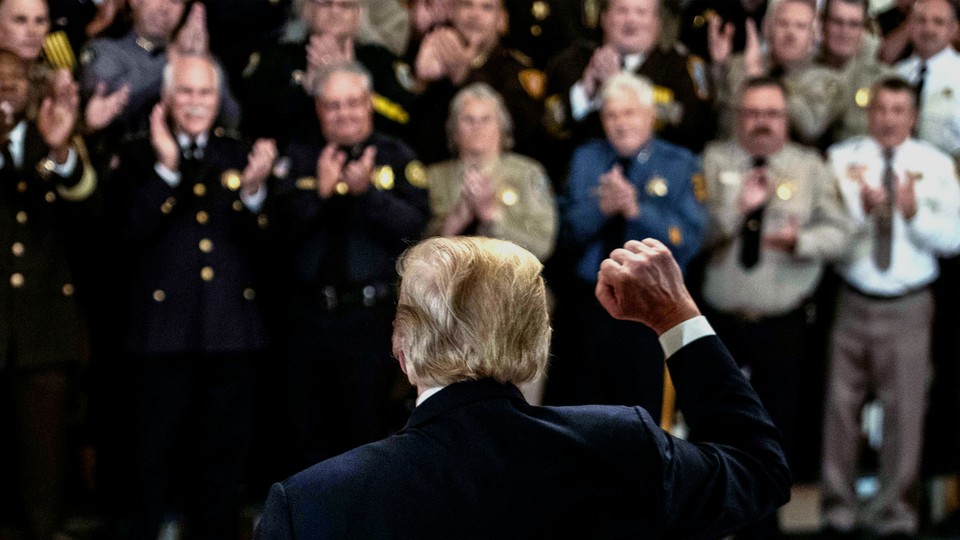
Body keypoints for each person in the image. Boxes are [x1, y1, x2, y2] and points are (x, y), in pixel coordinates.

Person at [255, 235, 792, 539]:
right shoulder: (622, 446)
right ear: (539, 344)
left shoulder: (312, 504)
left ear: (401, 350)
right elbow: (760, 473)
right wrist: (677, 318)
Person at [109, 53, 275, 540]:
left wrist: (253, 194)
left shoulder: (239, 153)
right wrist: (166, 170)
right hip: (161, 333)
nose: (197, 102)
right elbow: (123, 236)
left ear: (219, 99)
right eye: (186, 91)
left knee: (223, 457)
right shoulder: (137, 155)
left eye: (205, 92)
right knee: (153, 456)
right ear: (166, 97)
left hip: (230, 330)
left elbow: (268, 250)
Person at [699, 75, 851, 538]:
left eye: (772, 114)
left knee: (776, 429)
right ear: (738, 117)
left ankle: (766, 526)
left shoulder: (809, 167)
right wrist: (736, 211)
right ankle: (722, 519)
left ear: (786, 119)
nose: (762, 123)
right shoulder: (714, 159)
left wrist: (801, 241)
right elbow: (692, 236)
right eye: (753, 113)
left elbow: (841, 233)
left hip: (784, 324)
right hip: (721, 323)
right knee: (719, 427)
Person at [268, 62, 429, 474]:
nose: (345, 114)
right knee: (304, 438)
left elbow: (416, 228)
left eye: (353, 103)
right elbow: (271, 237)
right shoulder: (299, 156)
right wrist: (318, 195)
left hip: (370, 322)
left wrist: (368, 195)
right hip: (305, 321)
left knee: (366, 438)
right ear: (319, 110)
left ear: (369, 105)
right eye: (333, 106)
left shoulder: (397, 154)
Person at [821, 77, 960, 540]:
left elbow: (954, 238)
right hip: (852, 299)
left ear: (913, 117)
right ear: (869, 111)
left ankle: (895, 516)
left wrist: (914, 212)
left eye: (898, 110)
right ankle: (837, 512)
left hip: (909, 305)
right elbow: (831, 236)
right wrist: (860, 211)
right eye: (881, 109)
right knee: (841, 409)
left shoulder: (936, 165)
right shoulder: (842, 159)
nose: (888, 118)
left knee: (905, 412)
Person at [548, 71, 705, 421]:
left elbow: (689, 240)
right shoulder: (586, 159)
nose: (620, 124)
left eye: (630, 113)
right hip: (589, 304)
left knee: (643, 414)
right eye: (611, 115)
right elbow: (566, 232)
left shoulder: (680, 164)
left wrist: (637, 210)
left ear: (651, 116)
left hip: (650, 307)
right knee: (581, 411)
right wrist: (601, 209)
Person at [0, 46, 93, 540]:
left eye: (14, 81)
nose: (5, 90)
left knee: (44, 463)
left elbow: (91, 219)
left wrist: (59, 153)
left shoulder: (55, 144)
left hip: (43, 333)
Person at [543, 0, 713, 167]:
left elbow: (694, 126)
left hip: (660, 177)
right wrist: (585, 94)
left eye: (641, 12)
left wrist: (621, 85)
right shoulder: (573, 62)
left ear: (657, 22)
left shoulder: (682, 67)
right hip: (585, 177)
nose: (631, 20)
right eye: (622, 11)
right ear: (604, 17)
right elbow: (548, 127)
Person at [239, 0, 415, 148]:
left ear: (358, 14)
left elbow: (405, 120)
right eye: (326, 3)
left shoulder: (381, 61)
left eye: (345, 5)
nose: (335, 12)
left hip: (373, 164)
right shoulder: (277, 58)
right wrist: (305, 88)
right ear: (308, 10)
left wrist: (352, 83)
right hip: (294, 168)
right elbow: (253, 123)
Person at [426, 82, 556, 262]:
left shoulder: (528, 173)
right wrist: (457, 218)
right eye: (468, 119)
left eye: (486, 119)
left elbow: (542, 246)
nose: (477, 127)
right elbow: (413, 250)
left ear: (502, 127)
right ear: (454, 130)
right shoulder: (434, 177)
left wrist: (492, 217)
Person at [412, 0, 545, 165]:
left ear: (502, 20)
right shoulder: (435, 51)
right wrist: (420, 84)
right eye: (467, 5)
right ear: (453, 13)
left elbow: (520, 129)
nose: (475, 15)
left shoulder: (516, 71)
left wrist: (464, 76)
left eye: (487, 8)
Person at [710, 0, 845, 144]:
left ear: (814, 35)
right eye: (783, 23)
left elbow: (810, 128)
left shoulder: (826, 80)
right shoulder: (739, 65)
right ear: (767, 28)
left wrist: (758, 80)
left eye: (801, 26)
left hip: (792, 163)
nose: (790, 33)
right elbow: (716, 121)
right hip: (732, 158)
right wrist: (720, 67)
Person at [816, 0, 893, 148]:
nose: (845, 31)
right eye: (837, 22)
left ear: (864, 29)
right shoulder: (801, 71)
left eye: (854, 24)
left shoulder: (882, 80)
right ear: (822, 23)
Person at [895, 0, 960, 159]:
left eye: (938, 22)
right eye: (920, 20)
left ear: (953, 29)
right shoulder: (897, 73)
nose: (928, 29)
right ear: (909, 26)